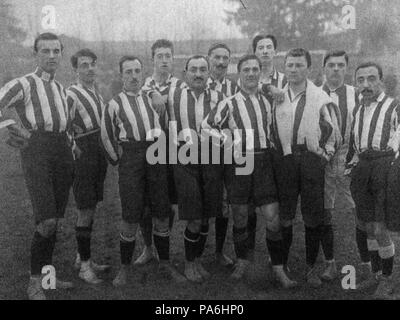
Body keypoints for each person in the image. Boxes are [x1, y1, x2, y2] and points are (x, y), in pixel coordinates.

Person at [203, 54, 296, 288]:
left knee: (272, 219)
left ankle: (277, 268)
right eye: (247, 70)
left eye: (255, 69)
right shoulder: (228, 103)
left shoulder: (269, 99)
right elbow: (206, 127)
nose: (252, 73)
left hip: (265, 162)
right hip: (240, 162)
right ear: (239, 73)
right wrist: (226, 140)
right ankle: (243, 260)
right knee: (241, 216)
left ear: (259, 72)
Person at [0, 33, 76, 300]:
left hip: (61, 153)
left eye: (56, 51)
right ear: (36, 54)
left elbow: (63, 125)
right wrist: (10, 127)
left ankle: (48, 278)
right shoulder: (24, 84)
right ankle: (34, 282)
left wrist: (70, 145)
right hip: (37, 152)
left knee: (55, 221)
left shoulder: (60, 89)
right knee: (46, 221)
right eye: (46, 51)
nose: (52, 56)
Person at [101, 56, 186, 287]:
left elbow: (167, 123)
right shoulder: (114, 104)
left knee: (161, 211)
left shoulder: (152, 98)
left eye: (137, 71)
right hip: (131, 157)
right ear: (121, 76)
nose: (134, 75)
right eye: (128, 71)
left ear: (142, 73)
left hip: (156, 154)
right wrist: (119, 160)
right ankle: (125, 268)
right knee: (130, 215)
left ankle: (165, 263)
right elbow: (107, 135)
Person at [274, 48, 341, 287]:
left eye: (299, 65)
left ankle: (311, 268)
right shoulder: (278, 96)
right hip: (287, 160)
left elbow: (334, 133)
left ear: (308, 68)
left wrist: (324, 156)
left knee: (313, 217)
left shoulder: (320, 97)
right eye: (289, 65)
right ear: (284, 67)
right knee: (286, 216)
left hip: (311, 160)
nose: (293, 69)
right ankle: (282, 265)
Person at [167, 55, 225, 282]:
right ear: (185, 73)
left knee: (206, 217)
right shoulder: (173, 95)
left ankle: (198, 260)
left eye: (203, 69)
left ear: (209, 72)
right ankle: (189, 264)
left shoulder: (220, 97)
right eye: (194, 69)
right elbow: (147, 89)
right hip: (185, 159)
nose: (198, 73)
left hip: (211, 159)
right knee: (193, 216)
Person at [346, 62, 400, 299]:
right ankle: (376, 274)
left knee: (379, 228)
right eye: (361, 80)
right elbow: (355, 143)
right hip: (363, 168)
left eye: (371, 79)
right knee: (367, 226)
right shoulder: (358, 108)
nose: (365, 85)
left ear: (381, 80)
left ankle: (388, 280)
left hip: (385, 168)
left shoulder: (394, 106)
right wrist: (352, 165)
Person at [134, 39, 186, 266]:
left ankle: (162, 243)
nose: (164, 60)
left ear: (173, 59)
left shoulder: (181, 86)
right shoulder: (143, 86)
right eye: (159, 56)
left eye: (168, 56)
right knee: (146, 206)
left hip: (175, 150)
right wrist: (153, 94)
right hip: (149, 150)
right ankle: (148, 247)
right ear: (152, 59)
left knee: (170, 206)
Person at [67, 49, 110, 284]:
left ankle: (81, 257)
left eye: (92, 64)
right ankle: (84, 267)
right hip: (83, 153)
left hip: (98, 150)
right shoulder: (71, 94)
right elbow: (62, 126)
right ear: (76, 69)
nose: (90, 68)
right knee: (85, 208)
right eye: (84, 65)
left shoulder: (95, 91)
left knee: (91, 206)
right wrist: (74, 145)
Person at [319, 50, 357, 281]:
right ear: (324, 68)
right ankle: (329, 263)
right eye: (331, 65)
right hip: (322, 160)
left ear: (346, 68)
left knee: (357, 210)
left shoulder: (355, 93)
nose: (335, 69)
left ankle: (366, 260)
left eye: (340, 65)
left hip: (349, 158)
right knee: (325, 212)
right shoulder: (314, 94)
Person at [207, 43, 240, 267]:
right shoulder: (197, 81)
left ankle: (219, 252)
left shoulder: (234, 86)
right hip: (202, 151)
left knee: (226, 202)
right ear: (209, 59)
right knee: (203, 201)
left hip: (228, 151)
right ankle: (196, 255)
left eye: (225, 58)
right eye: (217, 57)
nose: (221, 62)